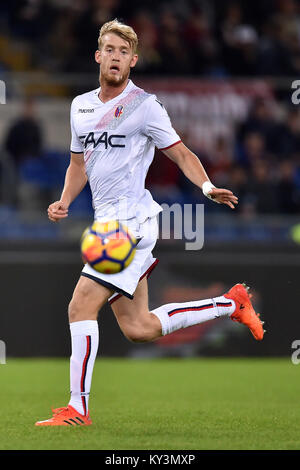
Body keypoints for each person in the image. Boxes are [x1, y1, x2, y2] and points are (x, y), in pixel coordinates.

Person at [35, 19, 265, 427]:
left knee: (79, 306)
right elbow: (77, 164)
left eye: (124, 52)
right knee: (139, 328)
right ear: (97, 55)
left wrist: (208, 186)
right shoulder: (80, 107)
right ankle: (231, 303)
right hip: (108, 222)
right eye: (109, 49)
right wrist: (64, 200)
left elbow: (180, 153)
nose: (116, 57)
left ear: (133, 61)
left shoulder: (145, 106)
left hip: (130, 223)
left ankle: (78, 407)